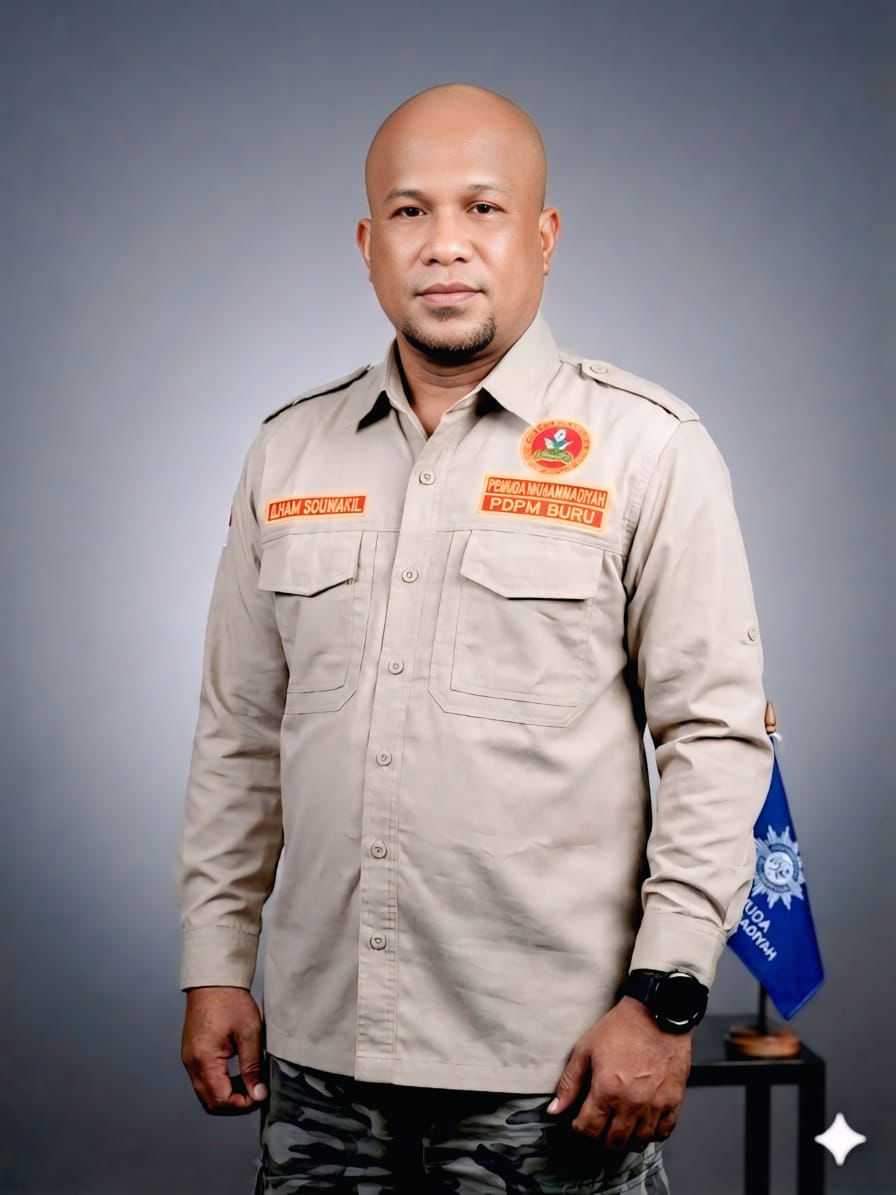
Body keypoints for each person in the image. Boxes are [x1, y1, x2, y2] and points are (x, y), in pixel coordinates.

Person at [177, 81, 775, 1193]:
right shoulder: (287, 451)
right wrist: (214, 964)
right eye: (410, 211)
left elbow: (714, 741)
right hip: (321, 1057)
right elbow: (240, 734)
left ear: (543, 238)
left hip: (554, 1066)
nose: (444, 243)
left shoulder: (647, 447)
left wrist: (664, 998)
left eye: (482, 208)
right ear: (369, 245)